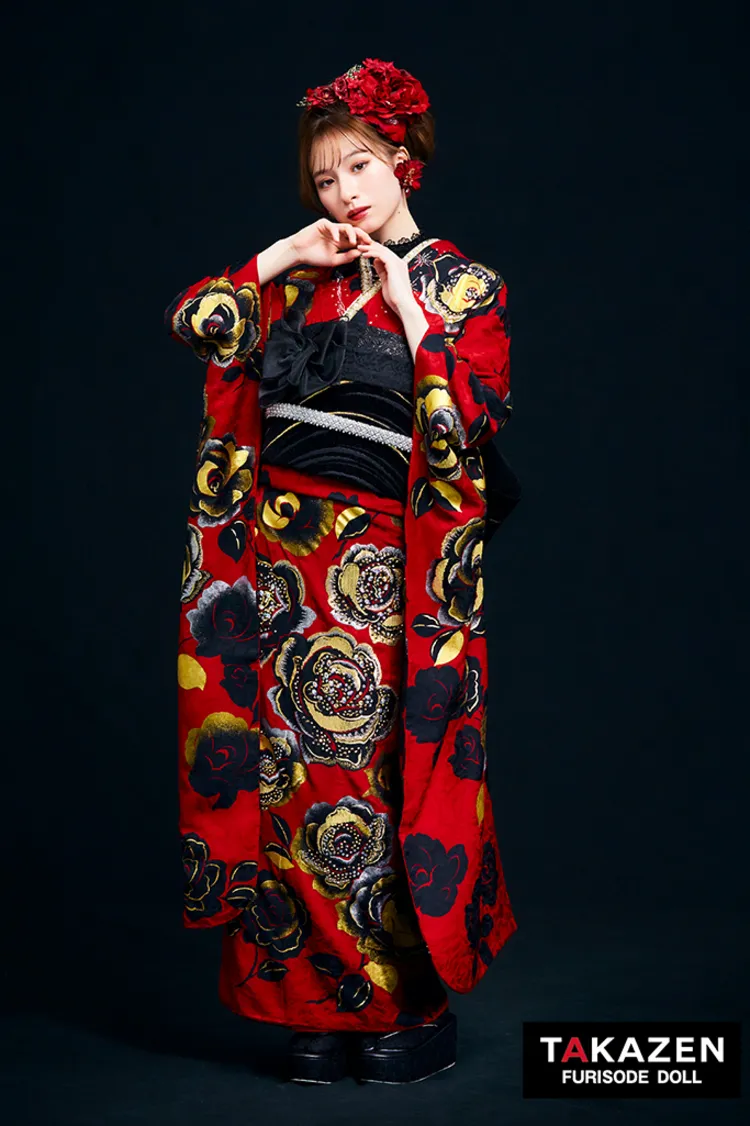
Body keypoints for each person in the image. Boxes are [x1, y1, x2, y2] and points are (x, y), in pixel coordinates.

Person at [165, 57, 521, 1086]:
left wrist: (412, 316)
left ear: (405, 161)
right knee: (283, 786)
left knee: (367, 787)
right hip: (277, 569)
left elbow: (467, 432)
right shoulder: (301, 282)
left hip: (377, 575)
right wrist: (285, 252)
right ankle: (312, 1008)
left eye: (359, 167)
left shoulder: (463, 286)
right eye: (325, 179)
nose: (344, 193)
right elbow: (196, 321)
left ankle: (405, 1009)